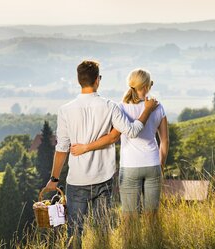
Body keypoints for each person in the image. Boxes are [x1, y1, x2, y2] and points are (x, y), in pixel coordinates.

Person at [45, 61, 158, 247]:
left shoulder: (65, 110)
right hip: (103, 178)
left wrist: (54, 178)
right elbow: (131, 131)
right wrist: (146, 110)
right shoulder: (110, 106)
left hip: (77, 180)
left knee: (74, 233)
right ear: (98, 80)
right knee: (103, 233)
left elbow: (62, 148)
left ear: (78, 80)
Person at [71, 68, 169, 245]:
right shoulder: (157, 106)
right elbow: (165, 141)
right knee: (152, 217)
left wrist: (86, 147)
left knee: (129, 218)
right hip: (153, 164)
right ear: (146, 86)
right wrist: (160, 165)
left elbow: (113, 137)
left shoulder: (120, 108)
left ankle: (131, 246)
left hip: (129, 168)